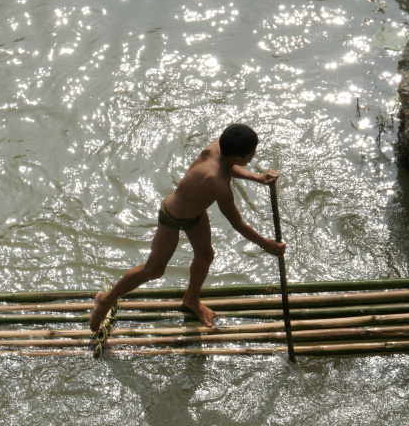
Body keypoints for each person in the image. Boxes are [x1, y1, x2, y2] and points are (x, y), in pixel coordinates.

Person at [88, 123, 285, 332]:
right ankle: (106, 300)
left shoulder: (218, 147)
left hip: (196, 214)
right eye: (250, 155)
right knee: (154, 270)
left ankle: (191, 299)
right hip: (172, 217)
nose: (252, 159)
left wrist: (257, 177)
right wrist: (266, 244)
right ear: (237, 158)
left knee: (205, 255)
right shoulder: (218, 184)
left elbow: (228, 167)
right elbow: (236, 223)